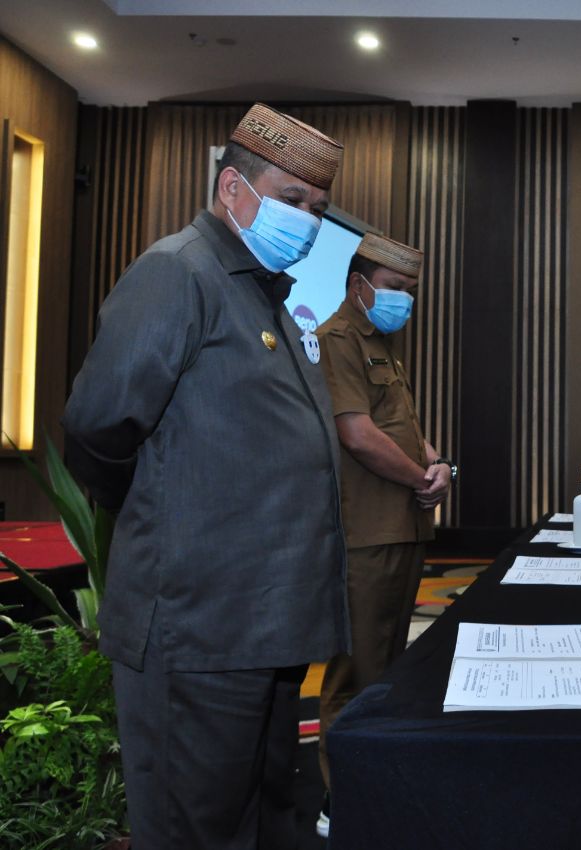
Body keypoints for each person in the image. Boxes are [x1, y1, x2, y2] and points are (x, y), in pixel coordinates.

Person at [62, 104, 348, 849]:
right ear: (233, 190)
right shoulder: (177, 272)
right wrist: (164, 522)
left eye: (318, 210)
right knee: (199, 831)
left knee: (255, 827)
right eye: (293, 201)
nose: (309, 222)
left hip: (264, 628)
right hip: (198, 628)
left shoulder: (265, 294)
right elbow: (97, 426)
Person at [314, 233, 454, 836]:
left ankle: (375, 782)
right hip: (365, 530)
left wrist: (438, 463)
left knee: (387, 667)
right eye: (395, 289)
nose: (403, 301)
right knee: (357, 672)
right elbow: (358, 435)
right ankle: (338, 799)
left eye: (410, 292)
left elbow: (403, 430)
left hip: (400, 525)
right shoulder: (338, 338)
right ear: (359, 283)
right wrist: (423, 478)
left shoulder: (384, 346)